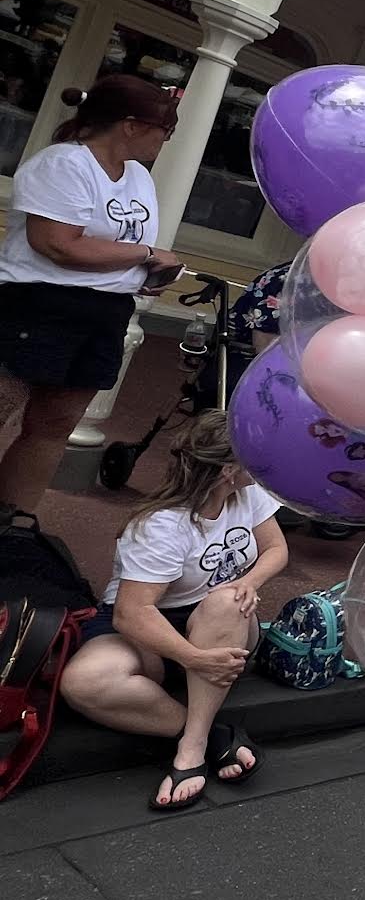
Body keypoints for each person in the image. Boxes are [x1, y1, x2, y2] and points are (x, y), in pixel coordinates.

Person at [59, 412, 281, 810]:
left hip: (217, 621)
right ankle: (214, 736)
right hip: (146, 625)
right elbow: (131, 614)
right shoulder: (161, 526)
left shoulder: (248, 493)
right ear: (228, 471)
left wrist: (250, 581)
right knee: (83, 683)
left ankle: (192, 749)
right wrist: (194, 658)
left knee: (228, 600)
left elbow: (276, 550)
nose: (265, 463)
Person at [0, 75, 181, 513]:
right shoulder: (64, 164)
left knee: (54, 426)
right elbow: (57, 244)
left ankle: (13, 522)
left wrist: (148, 271)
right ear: (131, 125)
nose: (166, 140)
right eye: (166, 130)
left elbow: (112, 245)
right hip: (39, 303)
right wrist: (145, 254)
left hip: (105, 311)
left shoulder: (138, 177)